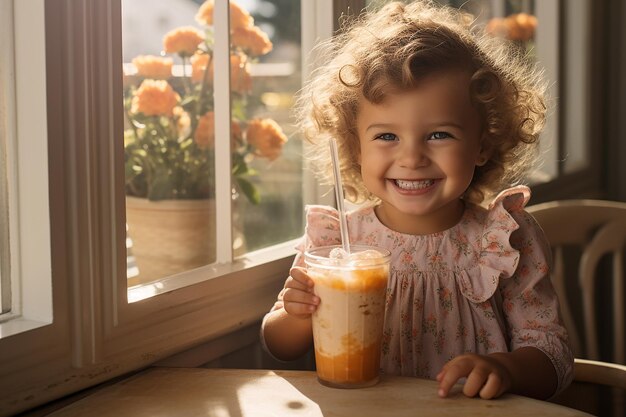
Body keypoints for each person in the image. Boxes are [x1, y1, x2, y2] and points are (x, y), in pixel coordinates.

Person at [261, 0, 573, 401]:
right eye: (386, 136)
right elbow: (279, 345)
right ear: (355, 147)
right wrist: (295, 314)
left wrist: (505, 368)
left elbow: (555, 356)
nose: (411, 158)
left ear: (483, 143)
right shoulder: (337, 245)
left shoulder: (503, 240)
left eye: (439, 134)